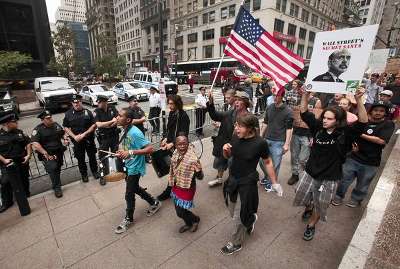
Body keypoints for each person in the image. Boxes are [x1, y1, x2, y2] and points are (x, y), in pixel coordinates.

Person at [293, 87, 367, 241]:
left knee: (321, 203)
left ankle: (311, 225)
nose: (325, 120)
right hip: (311, 171)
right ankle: (308, 207)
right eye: (324, 117)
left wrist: (359, 100)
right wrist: (305, 95)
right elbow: (304, 112)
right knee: (302, 194)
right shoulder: (318, 128)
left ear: (338, 121)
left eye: (330, 118)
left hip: (330, 176)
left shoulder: (345, 133)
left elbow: (363, 123)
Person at [221, 114, 283, 255]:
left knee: (238, 216)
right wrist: (226, 151)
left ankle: (236, 243)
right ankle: (251, 218)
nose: (236, 128)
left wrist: (274, 183)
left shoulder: (260, 143)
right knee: (231, 210)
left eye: (240, 126)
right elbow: (230, 156)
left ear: (250, 129)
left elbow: (267, 162)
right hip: (233, 180)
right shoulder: (236, 136)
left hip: (247, 183)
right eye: (236, 125)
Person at [332, 101, 395, 207]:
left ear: (385, 113)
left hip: (371, 161)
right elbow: (350, 133)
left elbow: (381, 141)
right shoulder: (362, 121)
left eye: (381, 111)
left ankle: (356, 199)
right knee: (344, 179)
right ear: (370, 111)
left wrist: (360, 134)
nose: (378, 113)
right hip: (353, 157)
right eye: (375, 110)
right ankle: (338, 196)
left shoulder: (388, 124)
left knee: (363, 184)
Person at [114, 108, 162, 234]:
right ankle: (154, 202)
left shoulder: (135, 132)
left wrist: (130, 152)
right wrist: (122, 152)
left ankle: (128, 218)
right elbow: (128, 147)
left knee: (129, 193)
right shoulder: (125, 129)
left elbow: (150, 148)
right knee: (134, 188)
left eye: (120, 116)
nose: (117, 117)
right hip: (129, 164)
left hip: (135, 167)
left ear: (128, 120)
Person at [207, 91, 251, 187]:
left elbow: (254, 135)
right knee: (220, 162)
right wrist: (210, 103)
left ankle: (234, 182)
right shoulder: (230, 113)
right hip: (225, 144)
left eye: (239, 100)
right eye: (236, 100)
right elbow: (215, 115)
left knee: (233, 166)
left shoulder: (250, 118)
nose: (236, 102)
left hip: (239, 147)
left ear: (245, 103)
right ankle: (219, 178)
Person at [157, 95, 190, 201]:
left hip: (179, 147)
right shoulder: (172, 113)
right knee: (173, 169)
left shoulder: (183, 116)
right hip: (171, 147)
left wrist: (172, 143)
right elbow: (169, 129)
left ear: (177, 104)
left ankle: (169, 191)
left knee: (174, 170)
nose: (169, 106)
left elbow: (183, 134)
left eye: (172, 104)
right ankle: (175, 187)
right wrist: (166, 138)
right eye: (169, 103)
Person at [259, 88, 293, 191]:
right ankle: (267, 176)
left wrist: (286, 144)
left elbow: (289, 129)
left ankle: (272, 182)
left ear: (282, 97)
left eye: (276, 96)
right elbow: (265, 122)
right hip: (266, 139)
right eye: (273, 95)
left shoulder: (288, 111)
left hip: (279, 141)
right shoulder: (270, 107)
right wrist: (260, 136)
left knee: (275, 164)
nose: (274, 97)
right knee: (262, 161)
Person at [169, 135, 203, 233]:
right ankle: (189, 223)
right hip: (176, 185)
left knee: (180, 212)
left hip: (187, 188)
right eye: (179, 144)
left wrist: (198, 171)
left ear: (188, 144)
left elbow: (200, 177)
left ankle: (195, 220)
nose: (182, 146)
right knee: (179, 211)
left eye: (184, 143)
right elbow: (173, 166)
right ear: (175, 145)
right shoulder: (175, 153)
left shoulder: (193, 158)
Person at [287, 90, 321, 186]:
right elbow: (294, 116)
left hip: (307, 135)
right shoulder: (299, 100)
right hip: (296, 133)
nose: (302, 90)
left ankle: (306, 176)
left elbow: (317, 120)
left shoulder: (316, 101)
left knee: (303, 159)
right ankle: (295, 174)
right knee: (294, 156)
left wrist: (312, 136)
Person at [31, 110, 68, 198]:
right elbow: (35, 143)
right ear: (42, 120)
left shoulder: (56, 125)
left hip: (58, 152)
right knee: (53, 168)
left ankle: (56, 183)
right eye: (48, 118)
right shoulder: (38, 129)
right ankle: (57, 188)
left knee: (57, 168)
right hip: (47, 154)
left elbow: (62, 133)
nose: (50, 119)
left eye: (50, 117)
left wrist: (65, 139)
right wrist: (45, 153)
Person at [63, 94, 99, 182]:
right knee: (80, 159)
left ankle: (95, 172)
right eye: (74, 103)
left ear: (81, 102)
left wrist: (84, 134)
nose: (76, 104)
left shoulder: (88, 112)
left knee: (92, 157)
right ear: (72, 103)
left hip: (88, 139)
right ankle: (84, 175)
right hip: (77, 141)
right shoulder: (68, 114)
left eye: (78, 102)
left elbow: (94, 125)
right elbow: (66, 127)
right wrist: (74, 136)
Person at [0, 113, 31, 215]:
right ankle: (7, 202)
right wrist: (4, 160)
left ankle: (26, 196)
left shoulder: (19, 132)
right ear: (7, 123)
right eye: (14, 122)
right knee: (5, 182)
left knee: (24, 178)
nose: (17, 123)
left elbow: (27, 143)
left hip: (21, 161)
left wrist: (28, 155)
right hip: (8, 164)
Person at [94, 95, 119, 185]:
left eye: (99, 102)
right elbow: (99, 124)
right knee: (102, 157)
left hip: (114, 136)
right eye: (98, 102)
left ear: (105, 102)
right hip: (104, 138)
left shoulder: (112, 107)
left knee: (114, 154)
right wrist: (111, 122)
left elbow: (118, 117)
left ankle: (114, 171)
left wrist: (114, 121)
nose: (98, 103)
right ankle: (102, 175)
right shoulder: (96, 111)